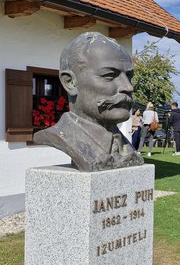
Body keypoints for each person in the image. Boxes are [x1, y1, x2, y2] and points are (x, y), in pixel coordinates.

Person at [34, 32, 143, 171]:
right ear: (70, 83)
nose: (128, 87)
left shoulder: (126, 148)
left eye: (129, 76)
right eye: (109, 75)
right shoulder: (63, 136)